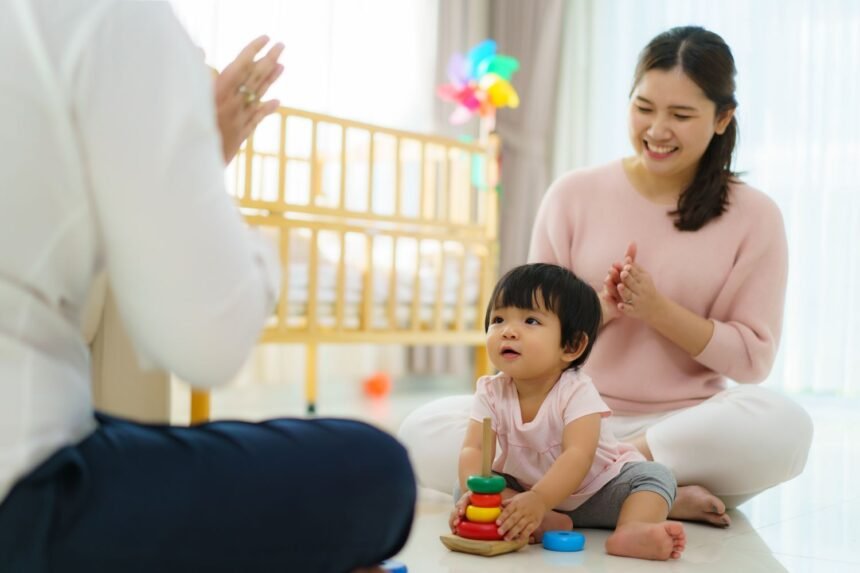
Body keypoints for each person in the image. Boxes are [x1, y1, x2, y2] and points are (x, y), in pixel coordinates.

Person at [0, 1, 414, 572]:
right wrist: (202, 160)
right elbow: (208, 344)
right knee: (379, 465)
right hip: (22, 496)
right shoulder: (114, 18)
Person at [399, 25, 812, 528]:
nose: (657, 130)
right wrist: (601, 310)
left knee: (785, 426)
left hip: (681, 428)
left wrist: (658, 311)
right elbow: (530, 339)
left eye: (681, 115)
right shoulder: (572, 194)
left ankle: (607, 478)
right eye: (644, 107)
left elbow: (752, 359)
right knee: (423, 428)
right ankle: (646, 492)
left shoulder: (755, 215)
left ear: (723, 118)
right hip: (559, 423)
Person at [449, 264, 685, 560]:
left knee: (655, 477)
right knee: (463, 488)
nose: (507, 331)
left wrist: (540, 498)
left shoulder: (576, 391)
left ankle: (632, 529)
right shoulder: (491, 390)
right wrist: (476, 493)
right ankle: (540, 521)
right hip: (525, 492)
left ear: (571, 346)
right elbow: (476, 447)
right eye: (498, 319)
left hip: (597, 491)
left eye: (530, 321)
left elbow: (578, 456)